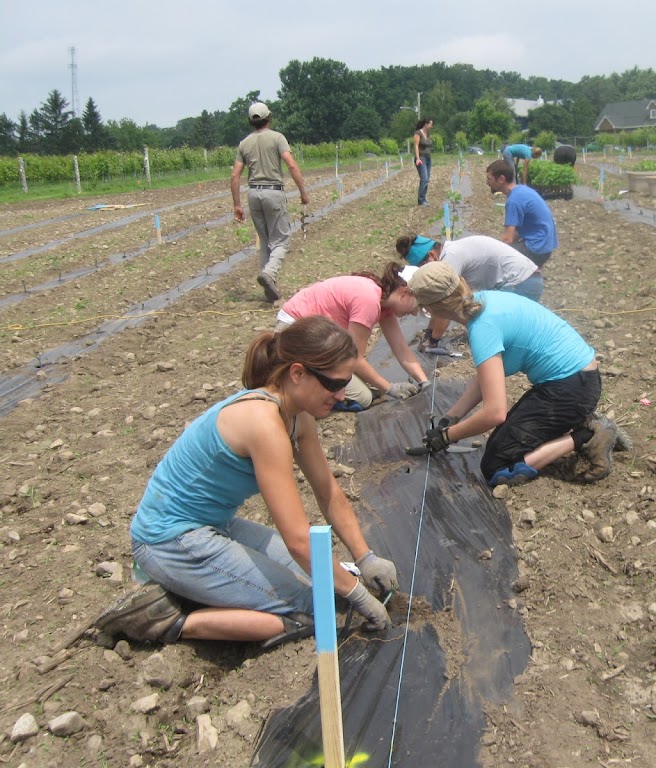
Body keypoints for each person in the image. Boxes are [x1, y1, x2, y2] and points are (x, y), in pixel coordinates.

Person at [94, 316, 398, 648]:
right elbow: (297, 539)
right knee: (313, 609)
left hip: (214, 526)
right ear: (298, 373)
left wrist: (364, 556)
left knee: (325, 582)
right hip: (169, 540)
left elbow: (328, 492)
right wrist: (357, 593)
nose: (342, 395)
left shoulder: (299, 416)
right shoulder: (263, 423)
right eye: (333, 384)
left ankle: (206, 587)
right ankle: (165, 617)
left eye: (345, 383)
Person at [406, 261, 630, 488]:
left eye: (423, 308)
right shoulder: (483, 301)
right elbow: (488, 377)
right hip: (579, 378)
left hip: (569, 388)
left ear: (435, 307)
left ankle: (587, 435)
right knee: (502, 443)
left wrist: (447, 436)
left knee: (496, 469)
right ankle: (578, 416)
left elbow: (494, 414)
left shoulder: (482, 328)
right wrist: (450, 418)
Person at [276, 262, 431, 410]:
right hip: (295, 330)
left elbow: (400, 347)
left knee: (364, 382)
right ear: (404, 292)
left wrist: (424, 382)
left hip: (317, 337)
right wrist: (390, 388)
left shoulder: (384, 303)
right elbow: (354, 358)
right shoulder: (369, 301)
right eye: (417, 305)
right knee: (363, 397)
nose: (415, 312)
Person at [395, 232, 544, 351]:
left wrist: (433, 340)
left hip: (522, 283)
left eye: (423, 266)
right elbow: (436, 302)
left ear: (432, 255)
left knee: (501, 336)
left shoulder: (450, 259)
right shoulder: (451, 251)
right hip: (525, 279)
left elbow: (444, 303)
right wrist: (429, 331)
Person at [230, 102, 310, 303]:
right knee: (281, 241)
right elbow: (291, 165)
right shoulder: (277, 138)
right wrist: (303, 192)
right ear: (269, 118)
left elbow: (235, 176)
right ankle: (270, 273)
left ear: (251, 122)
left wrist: (237, 205)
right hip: (273, 192)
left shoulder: (244, 143)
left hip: (253, 194)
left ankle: (269, 292)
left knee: (265, 241)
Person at [485, 159, 558, 268]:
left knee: (497, 261)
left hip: (536, 250)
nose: (487, 183)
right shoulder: (522, 190)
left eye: (489, 179)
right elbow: (515, 233)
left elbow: (507, 238)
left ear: (501, 179)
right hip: (546, 246)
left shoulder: (514, 200)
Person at [413, 117, 434, 206]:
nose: (432, 126)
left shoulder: (427, 134)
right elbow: (416, 146)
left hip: (428, 158)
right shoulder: (418, 133)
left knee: (427, 179)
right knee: (424, 179)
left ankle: (424, 198)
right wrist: (418, 158)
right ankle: (421, 200)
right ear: (426, 124)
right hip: (421, 159)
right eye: (431, 124)